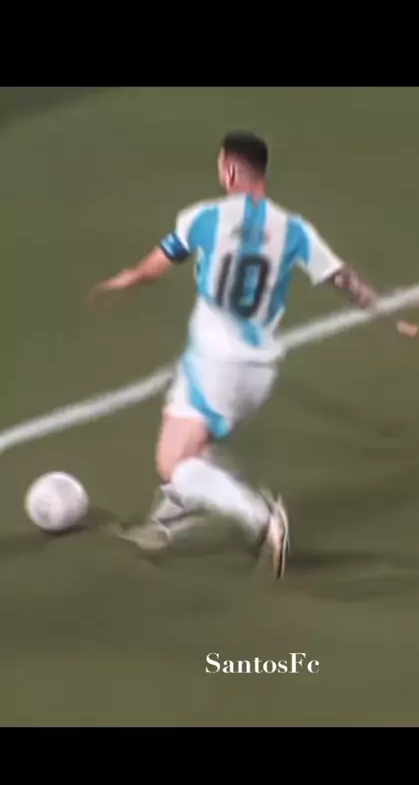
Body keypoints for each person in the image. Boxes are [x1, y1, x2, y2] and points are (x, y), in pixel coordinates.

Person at [89, 131, 385, 578]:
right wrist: (387, 313)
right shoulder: (294, 229)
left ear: (229, 170)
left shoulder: (203, 217)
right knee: (189, 437)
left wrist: (124, 280)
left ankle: (259, 517)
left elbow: (153, 267)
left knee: (175, 462)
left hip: (216, 364)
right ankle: (171, 517)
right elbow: (342, 279)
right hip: (258, 370)